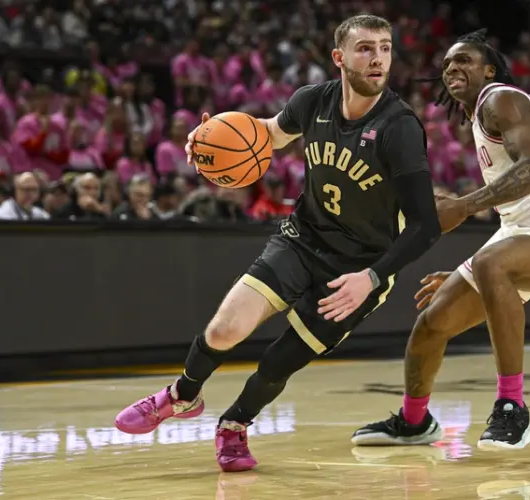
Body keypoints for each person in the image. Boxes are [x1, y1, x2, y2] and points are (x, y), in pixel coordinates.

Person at [114, 14, 442, 471]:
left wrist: (371, 278)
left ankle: (234, 426)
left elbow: (426, 225)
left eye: (385, 48)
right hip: (302, 240)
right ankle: (182, 396)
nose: (378, 59)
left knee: (277, 363)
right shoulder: (313, 101)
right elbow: (265, 133)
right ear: (339, 57)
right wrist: (208, 143)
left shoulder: (399, 127)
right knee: (225, 328)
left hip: (359, 269)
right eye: (365, 48)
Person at [351, 29, 530, 451]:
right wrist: (472, 271)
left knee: (493, 264)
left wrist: (465, 206)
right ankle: (414, 422)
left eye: (465, 60)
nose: (453, 67)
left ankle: (512, 408)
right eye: (448, 63)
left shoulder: (500, 99)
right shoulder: (479, 117)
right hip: (520, 232)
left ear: (489, 69)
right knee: (431, 325)